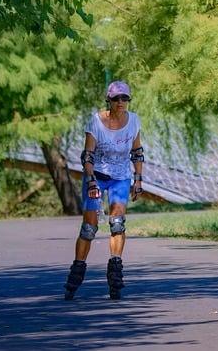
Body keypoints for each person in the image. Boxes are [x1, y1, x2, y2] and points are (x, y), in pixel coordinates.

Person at [64, 80, 144, 300]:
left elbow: (137, 152)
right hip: (96, 177)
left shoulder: (134, 121)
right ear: (108, 100)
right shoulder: (96, 122)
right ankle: (77, 272)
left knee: (117, 224)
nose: (121, 102)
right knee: (89, 228)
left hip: (120, 177)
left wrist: (138, 179)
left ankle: (115, 274)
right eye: (117, 98)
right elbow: (87, 155)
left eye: (125, 98)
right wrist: (90, 181)